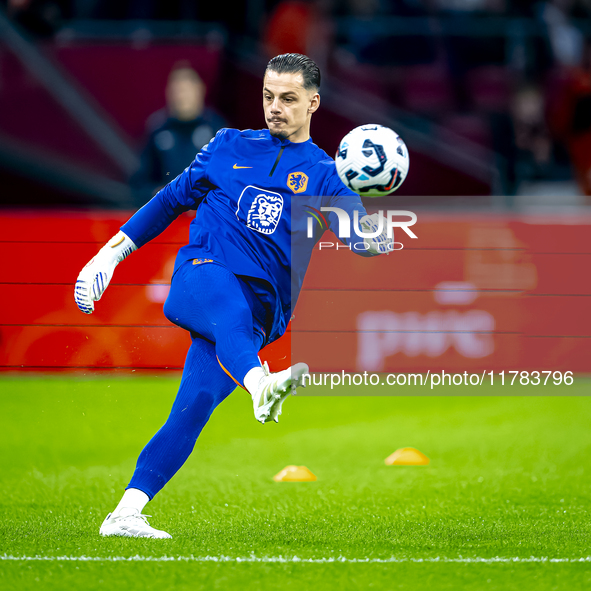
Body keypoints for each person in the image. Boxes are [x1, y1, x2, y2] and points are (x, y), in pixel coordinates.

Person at [74, 53, 394, 539]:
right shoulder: (227, 146)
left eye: (288, 99)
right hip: (203, 277)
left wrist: (376, 237)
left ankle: (125, 512)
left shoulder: (329, 177)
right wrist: (110, 255)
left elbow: (358, 235)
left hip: (259, 317)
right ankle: (259, 384)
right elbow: (170, 199)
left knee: (194, 404)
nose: (275, 107)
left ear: (313, 103)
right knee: (224, 300)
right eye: (268, 96)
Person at [130, 64, 225, 206]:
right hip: (167, 216)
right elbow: (138, 183)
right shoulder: (157, 130)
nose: (181, 95)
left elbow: (230, 178)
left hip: (206, 216)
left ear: (200, 90)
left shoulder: (217, 130)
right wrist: (158, 193)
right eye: (177, 89)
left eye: (186, 89)